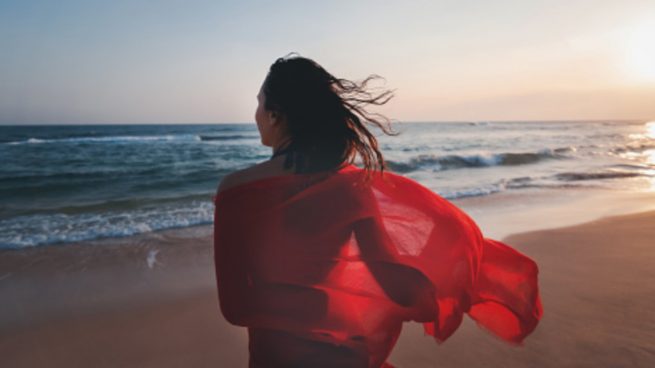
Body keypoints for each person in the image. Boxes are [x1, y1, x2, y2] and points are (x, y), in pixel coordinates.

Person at [212, 53, 543, 368]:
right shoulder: (349, 187)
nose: (255, 113)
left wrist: (316, 306)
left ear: (275, 114)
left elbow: (237, 308)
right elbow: (394, 283)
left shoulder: (236, 191)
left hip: (278, 358)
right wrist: (445, 285)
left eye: (259, 102)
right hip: (346, 349)